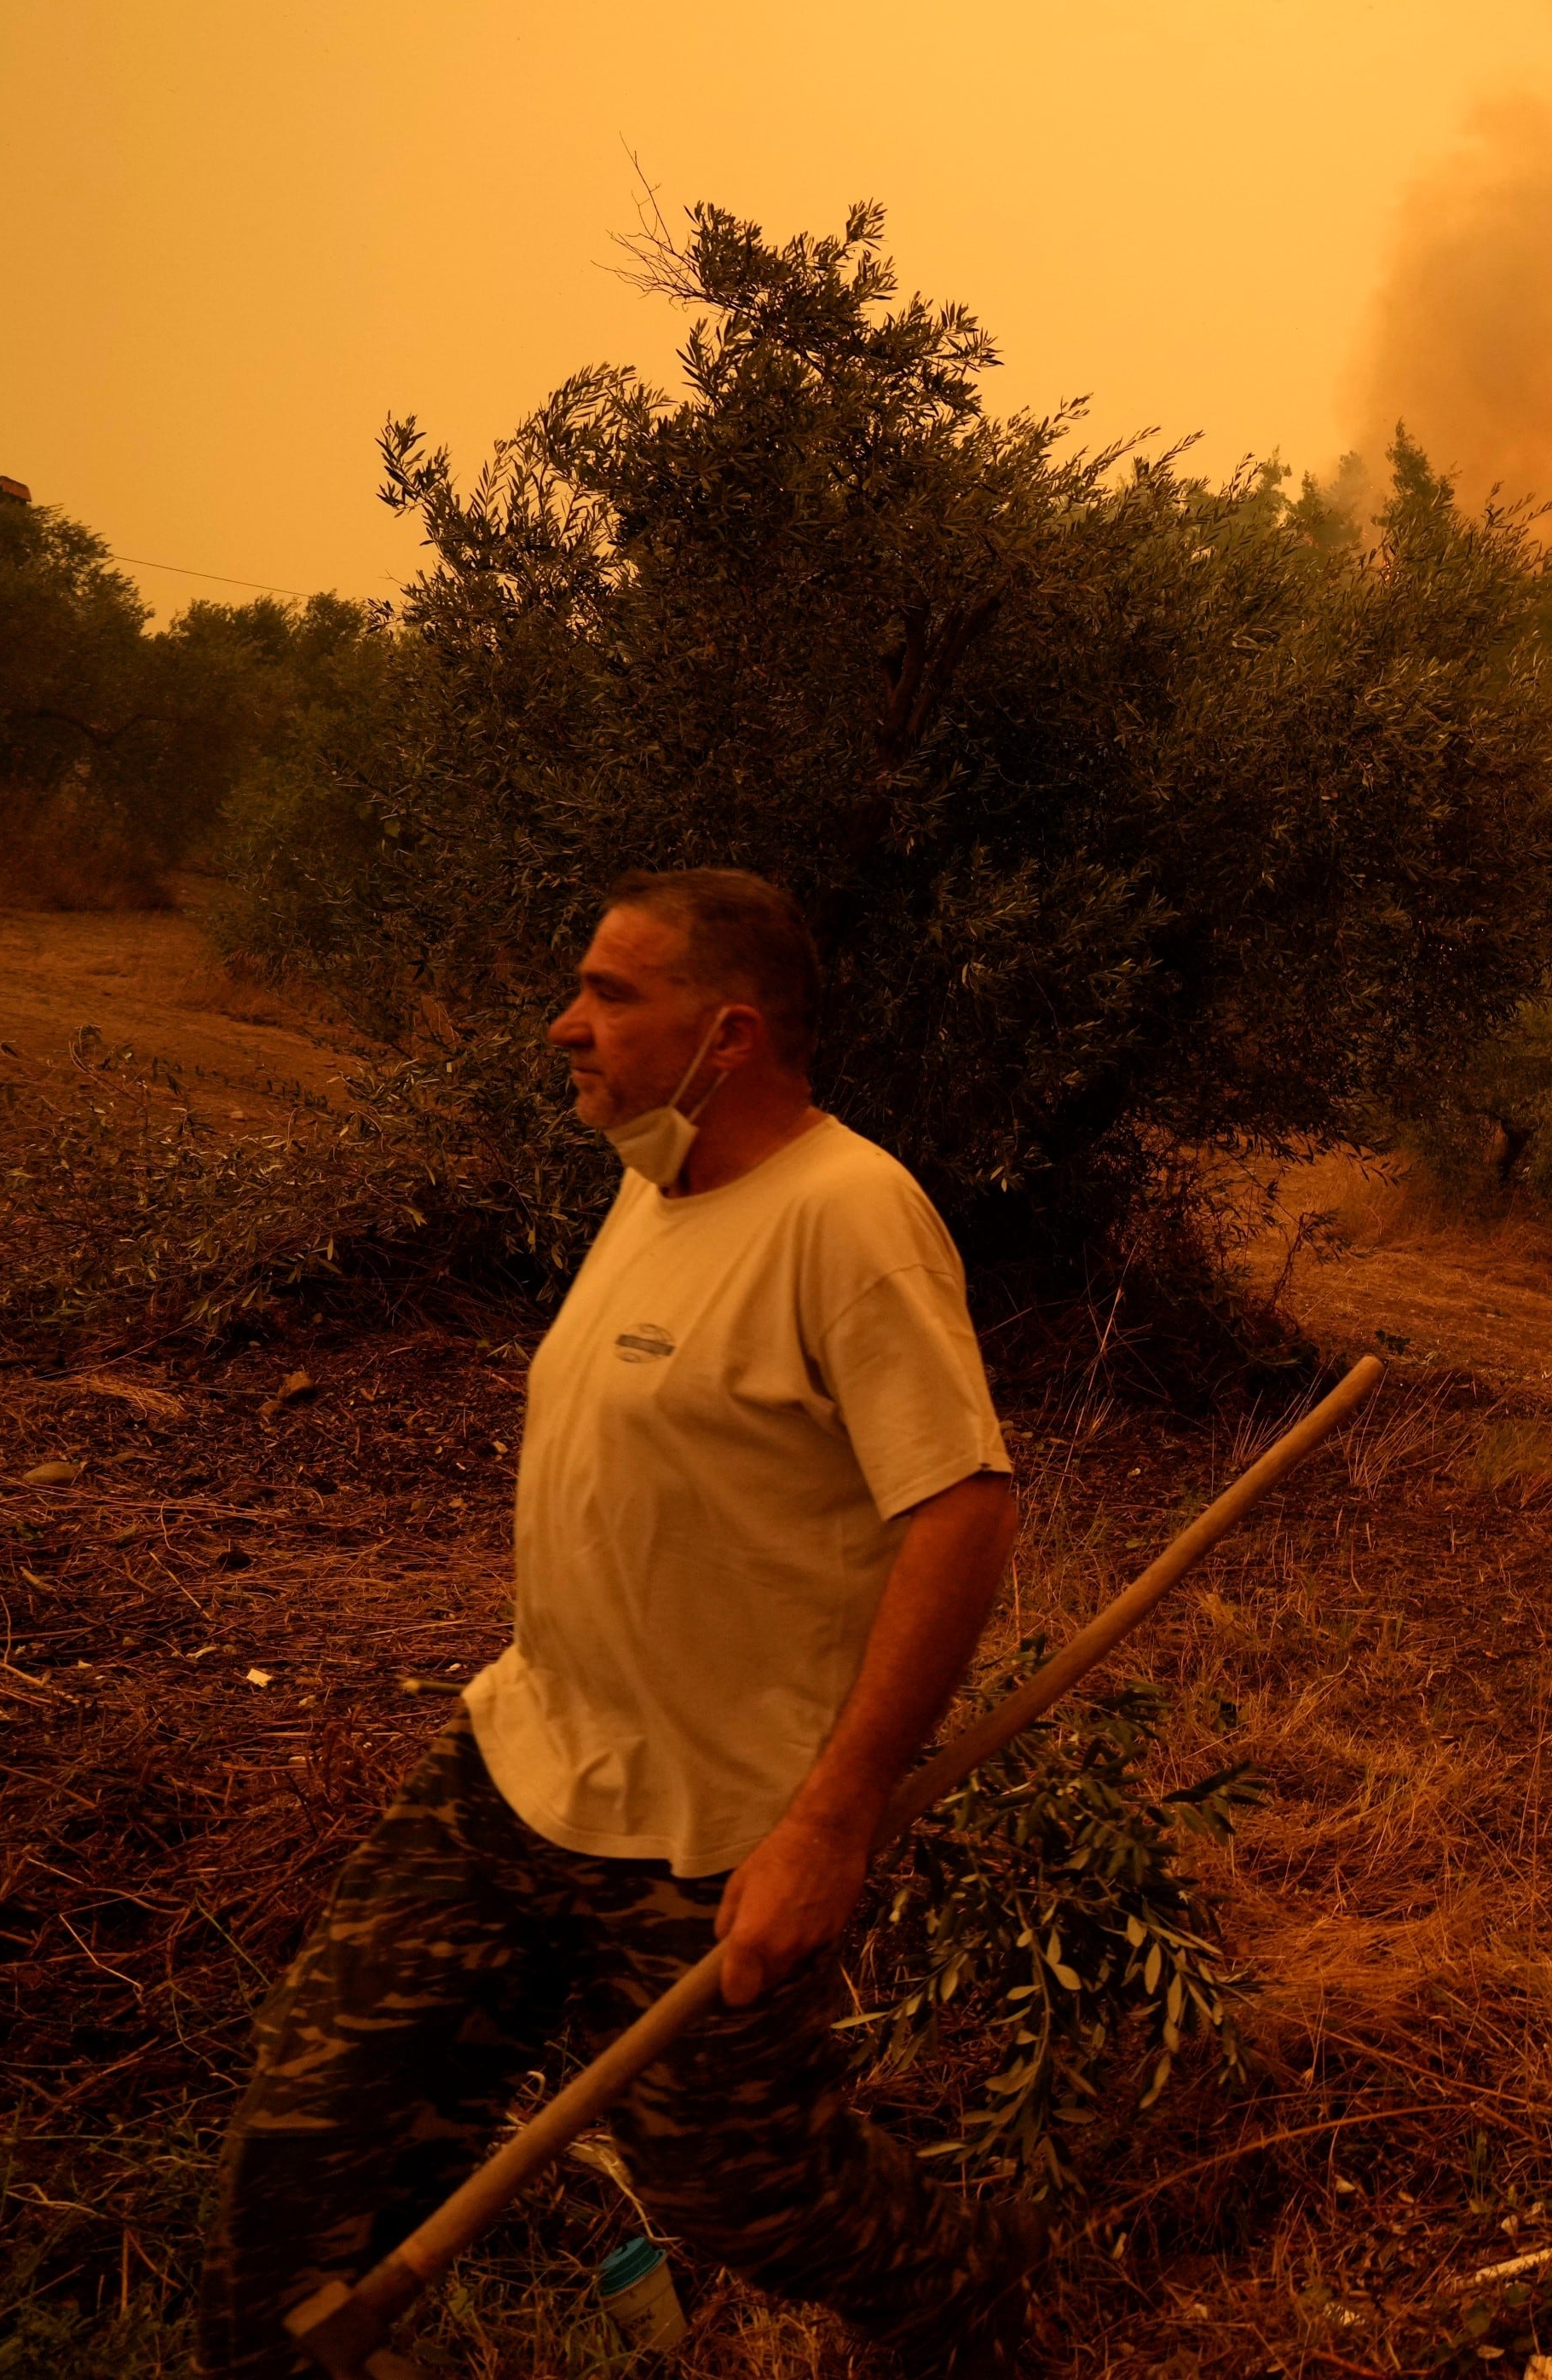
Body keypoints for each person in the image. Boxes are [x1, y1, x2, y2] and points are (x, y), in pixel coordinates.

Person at [204, 871, 1040, 2380]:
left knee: (749, 2197)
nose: (563, 1026)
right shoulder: (653, 1186)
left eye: (609, 994)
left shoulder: (850, 1216)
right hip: (518, 1766)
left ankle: (972, 2293)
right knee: (308, 2139)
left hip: (710, 1833)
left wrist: (832, 1823)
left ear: (728, 1036)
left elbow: (963, 1509)